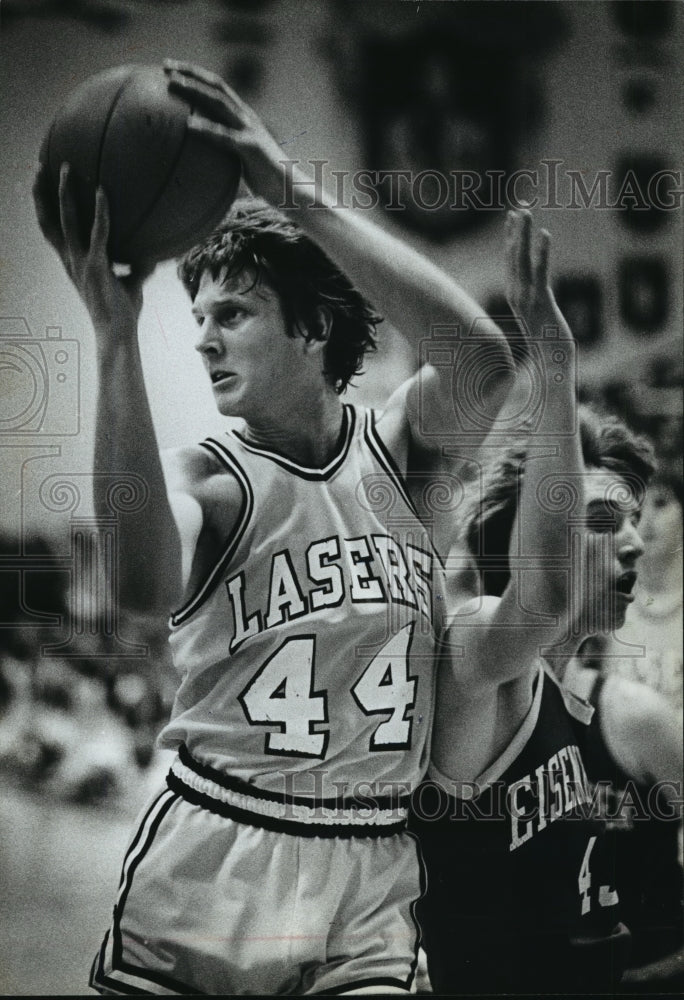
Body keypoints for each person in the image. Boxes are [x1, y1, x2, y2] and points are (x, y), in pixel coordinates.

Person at [33, 63, 514, 995]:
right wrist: (114, 337)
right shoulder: (213, 482)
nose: (206, 338)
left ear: (313, 327)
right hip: (215, 852)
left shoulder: (405, 456)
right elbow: (137, 587)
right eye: (200, 316)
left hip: (368, 866)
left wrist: (288, 188)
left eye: (236, 314)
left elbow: (484, 364)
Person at [409, 209, 657, 994]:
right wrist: (552, 362)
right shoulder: (480, 651)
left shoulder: (577, 696)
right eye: (606, 520)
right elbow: (541, 587)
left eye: (638, 524)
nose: (634, 545)